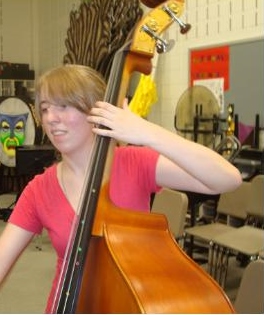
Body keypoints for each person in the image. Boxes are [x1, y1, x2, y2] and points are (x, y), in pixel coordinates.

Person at [0, 64, 242, 313]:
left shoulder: (134, 163)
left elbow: (227, 179)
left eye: (63, 105)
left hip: (130, 303)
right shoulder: (39, 189)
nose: (51, 117)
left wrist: (147, 132)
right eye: (45, 108)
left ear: (98, 110)